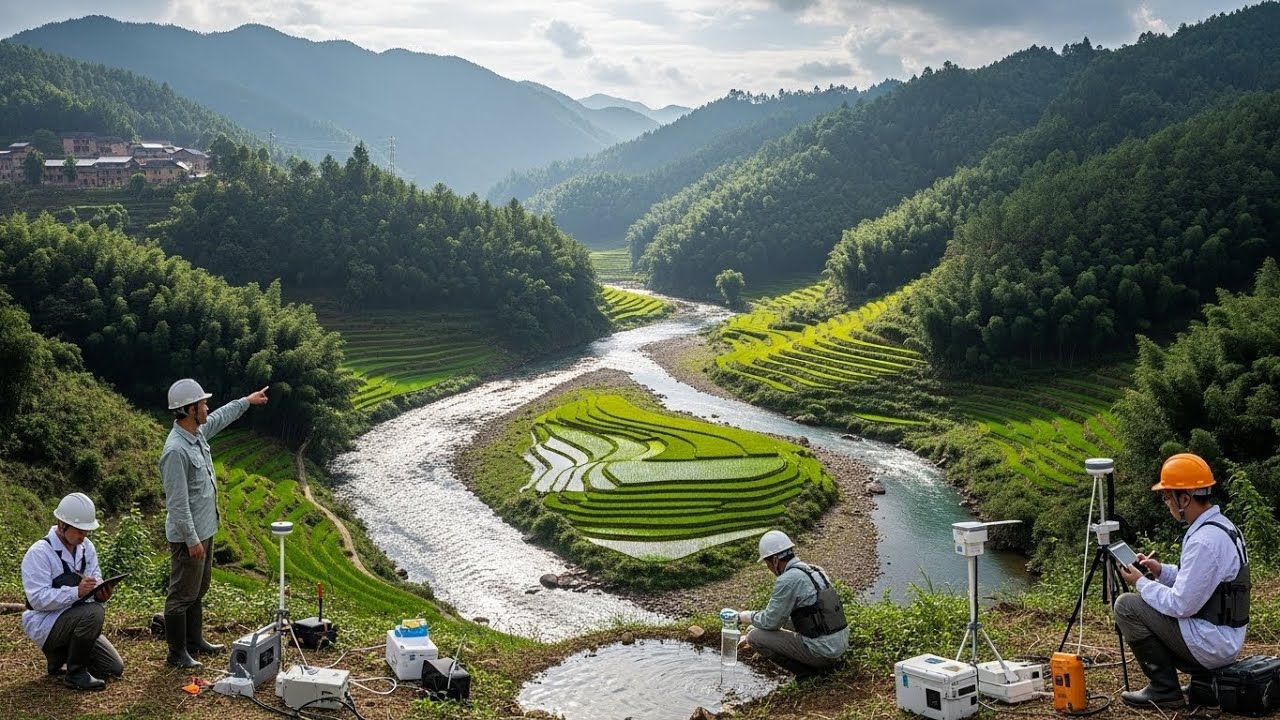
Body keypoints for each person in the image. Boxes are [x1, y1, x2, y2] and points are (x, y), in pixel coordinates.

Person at [1113, 453, 1250, 709]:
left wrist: (1141, 582)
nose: (1166, 503)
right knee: (1144, 600)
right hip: (1225, 638)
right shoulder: (1223, 528)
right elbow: (1204, 581)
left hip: (1211, 644)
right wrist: (1161, 571)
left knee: (1126, 606)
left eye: (1167, 497)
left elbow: (1181, 604)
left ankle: (1164, 689)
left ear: (1184, 498)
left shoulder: (1203, 541)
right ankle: (1199, 680)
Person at [160, 378, 269, 669]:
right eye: (203, 404)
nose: (208, 407)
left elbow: (221, 416)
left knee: (198, 589)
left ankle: (195, 641)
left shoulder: (196, 434)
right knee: (181, 595)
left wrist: (247, 401)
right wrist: (192, 539)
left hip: (204, 528)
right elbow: (177, 503)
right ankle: (176, 652)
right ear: (189, 409)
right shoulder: (175, 451)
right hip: (189, 536)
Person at [21, 493, 125, 690]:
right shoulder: (39, 553)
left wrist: (100, 593)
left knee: (113, 668)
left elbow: (96, 577)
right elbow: (36, 600)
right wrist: (75, 592)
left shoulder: (86, 547)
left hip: (76, 617)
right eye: (79, 531)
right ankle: (75, 674)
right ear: (62, 525)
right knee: (94, 613)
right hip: (46, 623)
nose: (83, 536)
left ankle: (59, 659)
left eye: (86, 532)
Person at [734, 530, 849, 680]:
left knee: (754, 636)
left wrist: (743, 616)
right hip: (838, 644)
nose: (769, 568)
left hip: (823, 652)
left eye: (767, 563)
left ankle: (807, 673)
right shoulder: (815, 570)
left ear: (775, 560)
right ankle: (818, 663)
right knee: (759, 627)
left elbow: (770, 621)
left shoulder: (788, 580)